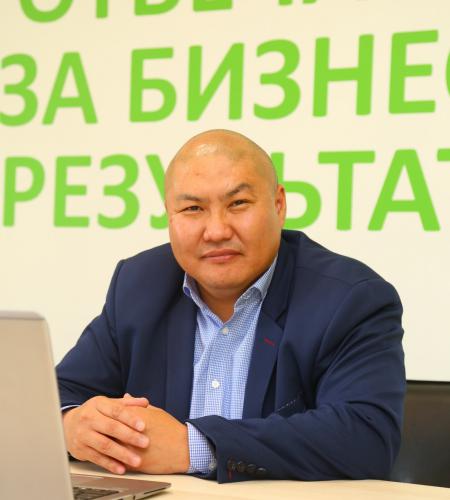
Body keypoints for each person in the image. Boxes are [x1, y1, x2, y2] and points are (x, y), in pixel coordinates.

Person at [57, 129, 405, 483]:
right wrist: (70, 426)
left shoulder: (349, 299)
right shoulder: (139, 285)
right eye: (193, 209)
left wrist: (191, 447)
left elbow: (366, 438)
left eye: (237, 204)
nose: (216, 231)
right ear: (169, 216)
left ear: (279, 205)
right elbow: (57, 394)